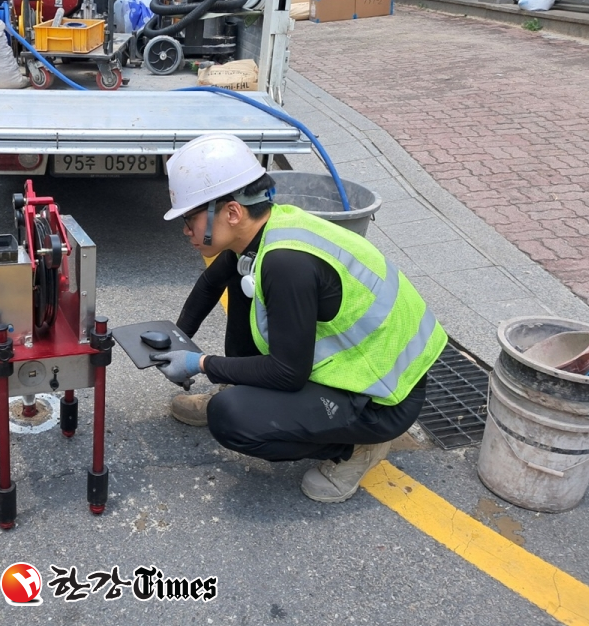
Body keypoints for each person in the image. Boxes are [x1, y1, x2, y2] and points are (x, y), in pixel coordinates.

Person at [150, 133, 447, 503]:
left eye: (190, 219)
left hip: (383, 398)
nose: (185, 230)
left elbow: (288, 374)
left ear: (231, 212)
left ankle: (354, 449)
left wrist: (201, 363)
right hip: (351, 369)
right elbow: (210, 284)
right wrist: (175, 339)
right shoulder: (264, 231)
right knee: (241, 281)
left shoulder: (287, 263)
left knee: (230, 418)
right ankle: (244, 389)